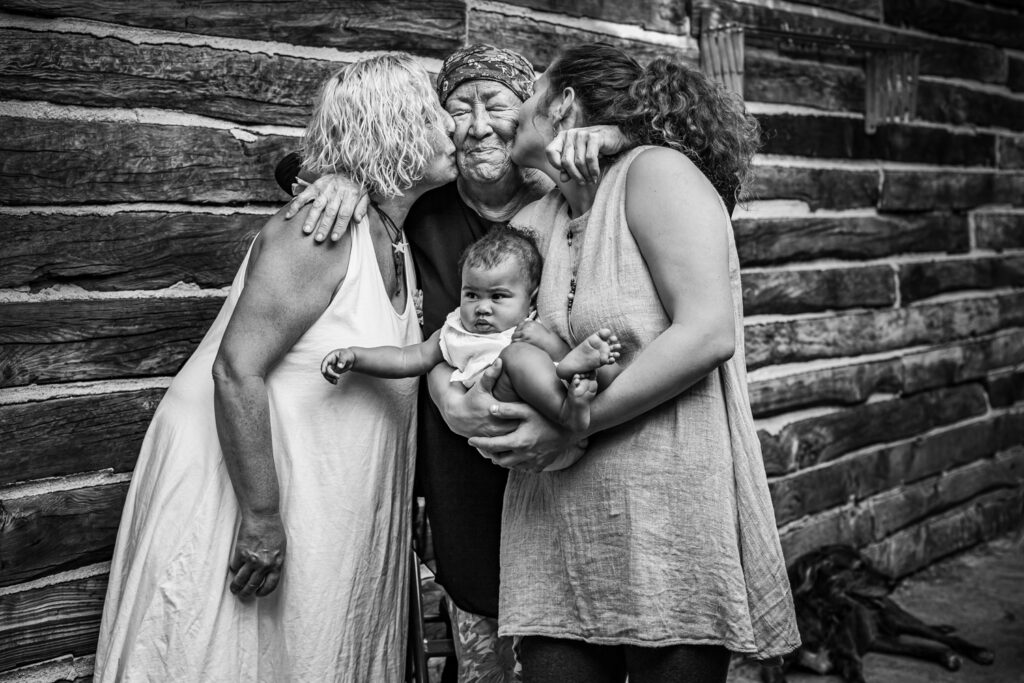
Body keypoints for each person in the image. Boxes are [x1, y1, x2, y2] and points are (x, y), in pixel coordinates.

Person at [94, 54, 457, 682]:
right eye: (435, 117)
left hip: (323, 487)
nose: (454, 129)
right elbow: (236, 371)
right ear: (395, 129)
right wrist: (260, 518)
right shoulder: (319, 231)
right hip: (247, 484)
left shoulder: (392, 230)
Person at [277, 44, 630, 683]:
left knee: (572, 635)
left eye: (495, 106)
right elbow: (318, 170)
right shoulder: (421, 206)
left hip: (573, 457)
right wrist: (340, 177)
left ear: (529, 112)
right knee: (483, 631)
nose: (475, 126)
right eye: (457, 110)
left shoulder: (567, 197)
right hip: (462, 464)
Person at [452, 42, 800, 682]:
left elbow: (705, 334)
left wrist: (573, 423)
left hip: (667, 516)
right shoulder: (535, 219)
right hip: (555, 530)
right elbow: (493, 338)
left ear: (562, 103)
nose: (512, 116)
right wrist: (480, 410)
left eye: (529, 96)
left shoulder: (655, 174)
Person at [321, 226, 622, 436]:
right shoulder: (454, 333)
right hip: (503, 408)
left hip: (556, 405)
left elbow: (553, 359)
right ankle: (568, 410)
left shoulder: (532, 324)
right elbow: (405, 358)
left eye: (498, 297)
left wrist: (550, 344)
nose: (482, 307)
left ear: (530, 299)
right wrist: (356, 356)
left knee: (600, 372)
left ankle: (586, 373)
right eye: (472, 295)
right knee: (517, 356)